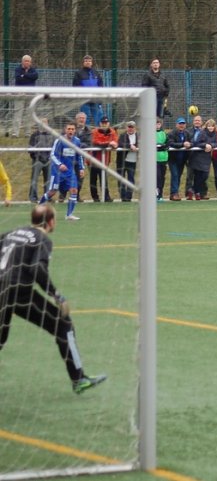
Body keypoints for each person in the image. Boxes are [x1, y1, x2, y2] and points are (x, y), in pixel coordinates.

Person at [0, 204, 108, 393]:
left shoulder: (12, 233)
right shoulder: (42, 240)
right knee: (63, 324)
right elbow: (37, 269)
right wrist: (57, 296)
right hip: (18, 291)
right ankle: (79, 379)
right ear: (51, 222)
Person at [39, 123, 85, 221]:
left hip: (70, 172)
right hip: (57, 172)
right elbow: (52, 155)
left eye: (72, 129)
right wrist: (60, 164)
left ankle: (69, 215)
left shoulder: (77, 141)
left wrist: (81, 168)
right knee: (52, 192)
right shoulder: (59, 140)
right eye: (69, 129)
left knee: (74, 190)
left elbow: (79, 156)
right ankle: (39, 208)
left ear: (75, 130)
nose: (71, 131)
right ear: (65, 130)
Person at [90, 116, 118, 202]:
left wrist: (112, 144)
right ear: (100, 124)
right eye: (103, 123)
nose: (104, 124)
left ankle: (106, 196)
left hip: (104, 160)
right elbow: (95, 142)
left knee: (104, 180)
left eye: (106, 123)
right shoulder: (95, 131)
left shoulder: (112, 132)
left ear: (109, 124)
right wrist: (108, 143)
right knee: (93, 180)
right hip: (94, 160)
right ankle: (95, 197)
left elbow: (115, 143)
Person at [10, 54, 39, 137]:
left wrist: (24, 75)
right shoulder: (18, 69)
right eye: (25, 61)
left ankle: (28, 133)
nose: (27, 62)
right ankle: (15, 133)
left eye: (28, 61)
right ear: (22, 62)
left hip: (30, 94)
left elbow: (35, 76)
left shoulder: (33, 70)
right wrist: (27, 77)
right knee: (17, 113)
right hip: (20, 93)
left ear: (30, 62)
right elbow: (18, 78)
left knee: (29, 113)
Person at [189, 117, 217, 200]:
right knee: (198, 175)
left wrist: (211, 145)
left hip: (207, 158)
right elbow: (196, 143)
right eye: (209, 126)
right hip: (198, 157)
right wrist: (205, 145)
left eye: (212, 126)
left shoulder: (216, 134)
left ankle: (193, 189)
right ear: (206, 126)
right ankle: (197, 193)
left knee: (204, 176)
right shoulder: (202, 133)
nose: (210, 127)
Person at [72, 55, 104, 126]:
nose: (88, 62)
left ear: (92, 63)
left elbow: (101, 85)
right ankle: (86, 132)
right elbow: (75, 86)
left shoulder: (96, 73)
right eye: (86, 61)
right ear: (83, 62)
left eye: (89, 61)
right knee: (85, 117)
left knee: (97, 117)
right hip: (84, 99)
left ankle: (97, 131)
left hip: (95, 98)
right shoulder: (78, 73)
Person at [28, 121, 53, 203]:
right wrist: (35, 156)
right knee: (34, 179)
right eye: (42, 123)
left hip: (48, 160)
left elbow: (55, 147)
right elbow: (30, 147)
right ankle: (33, 197)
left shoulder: (51, 135)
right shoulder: (34, 135)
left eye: (45, 123)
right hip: (37, 160)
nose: (44, 125)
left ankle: (47, 197)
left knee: (48, 180)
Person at [167, 117, 191, 201]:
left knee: (178, 176)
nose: (182, 125)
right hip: (173, 159)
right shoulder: (171, 133)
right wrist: (183, 144)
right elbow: (171, 143)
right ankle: (174, 193)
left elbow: (191, 142)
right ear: (176, 124)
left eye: (183, 124)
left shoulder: (187, 133)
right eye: (180, 124)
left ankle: (174, 193)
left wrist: (189, 144)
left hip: (182, 159)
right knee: (175, 175)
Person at [116, 121, 139, 202]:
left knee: (131, 179)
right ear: (126, 128)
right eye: (129, 127)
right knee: (121, 179)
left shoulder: (138, 136)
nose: (130, 128)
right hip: (121, 161)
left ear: (135, 128)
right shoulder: (122, 135)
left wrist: (136, 147)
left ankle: (129, 197)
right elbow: (120, 144)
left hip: (132, 161)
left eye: (132, 127)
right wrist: (130, 146)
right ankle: (123, 197)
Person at [154, 118, 168, 200]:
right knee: (157, 177)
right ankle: (156, 194)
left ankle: (160, 194)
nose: (157, 125)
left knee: (162, 177)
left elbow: (167, 143)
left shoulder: (164, 133)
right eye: (156, 124)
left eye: (159, 124)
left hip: (163, 158)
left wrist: (163, 146)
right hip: (155, 159)